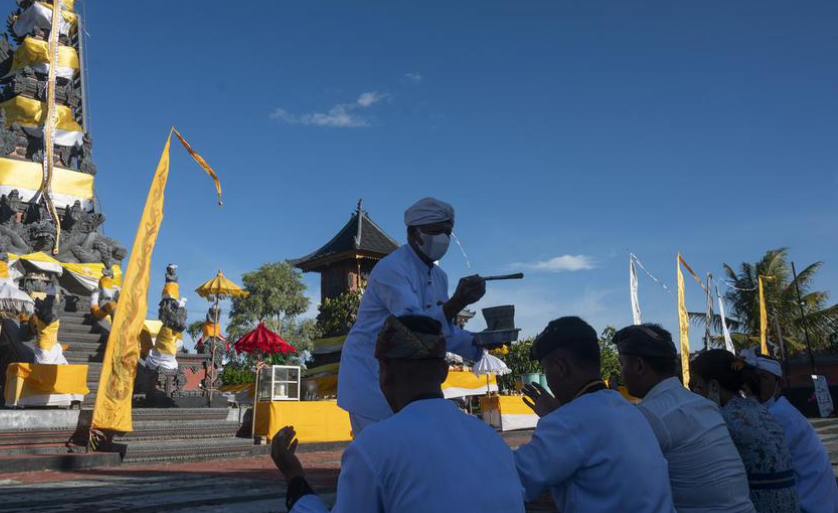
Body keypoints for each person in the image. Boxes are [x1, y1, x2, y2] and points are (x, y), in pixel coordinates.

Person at [271, 314, 526, 513]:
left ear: (384, 373)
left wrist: (294, 478)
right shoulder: (491, 439)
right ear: (444, 372)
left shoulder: (374, 447)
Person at [337, 197, 487, 435]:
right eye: (435, 232)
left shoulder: (439, 277)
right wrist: (458, 301)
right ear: (413, 234)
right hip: (371, 374)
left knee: (410, 449)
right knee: (380, 451)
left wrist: (477, 344)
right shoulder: (391, 268)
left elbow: (439, 330)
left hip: (409, 378)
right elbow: (414, 328)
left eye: (447, 233)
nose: (443, 239)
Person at [514, 316, 676, 513]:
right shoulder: (626, 409)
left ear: (560, 367)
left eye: (546, 369)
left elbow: (513, 480)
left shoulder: (568, 422)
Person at [614, 325, 755, 513]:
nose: (621, 373)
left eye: (622, 364)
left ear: (639, 366)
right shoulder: (703, 405)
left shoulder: (650, 416)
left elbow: (622, 487)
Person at [689, 350, 800, 513]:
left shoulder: (723, 420)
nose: (697, 394)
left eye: (698, 386)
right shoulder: (759, 409)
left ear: (713, 386)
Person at [741, 348, 838, 513]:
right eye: (753, 378)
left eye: (762, 378)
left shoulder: (778, 416)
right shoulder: (773, 410)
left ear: (779, 384)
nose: (755, 384)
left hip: (810, 504)